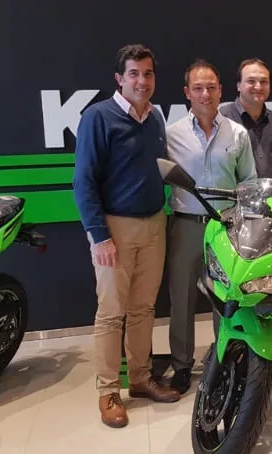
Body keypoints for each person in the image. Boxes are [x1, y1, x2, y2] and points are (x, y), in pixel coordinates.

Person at [73, 44, 180, 429]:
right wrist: (99, 235)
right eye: (134, 73)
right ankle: (107, 390)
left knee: (144, 308)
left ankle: (140, 378)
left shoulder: (155, 118)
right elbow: (83, 182)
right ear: (119, 78)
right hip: (114, 229)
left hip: (154, 223)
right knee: (111, 313)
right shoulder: (98, 117)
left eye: (148, 74)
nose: (142, 81)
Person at [165, 59, 257, 394]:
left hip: (225, 228)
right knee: (182, 299)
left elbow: (249, 183)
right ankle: (181, 366)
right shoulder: (171, 135)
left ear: (221, 91)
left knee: (226, 299)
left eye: (211, 88)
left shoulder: (238, 134)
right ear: (187, 92)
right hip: (185, 226)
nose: (205, 94)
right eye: (198, 88)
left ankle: (223, 363)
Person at [219, 58, 272, 187]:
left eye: (264, 82)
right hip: (233, 199)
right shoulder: (221, 119)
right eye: (251, 81)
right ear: (238, 86)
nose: (258, 87)